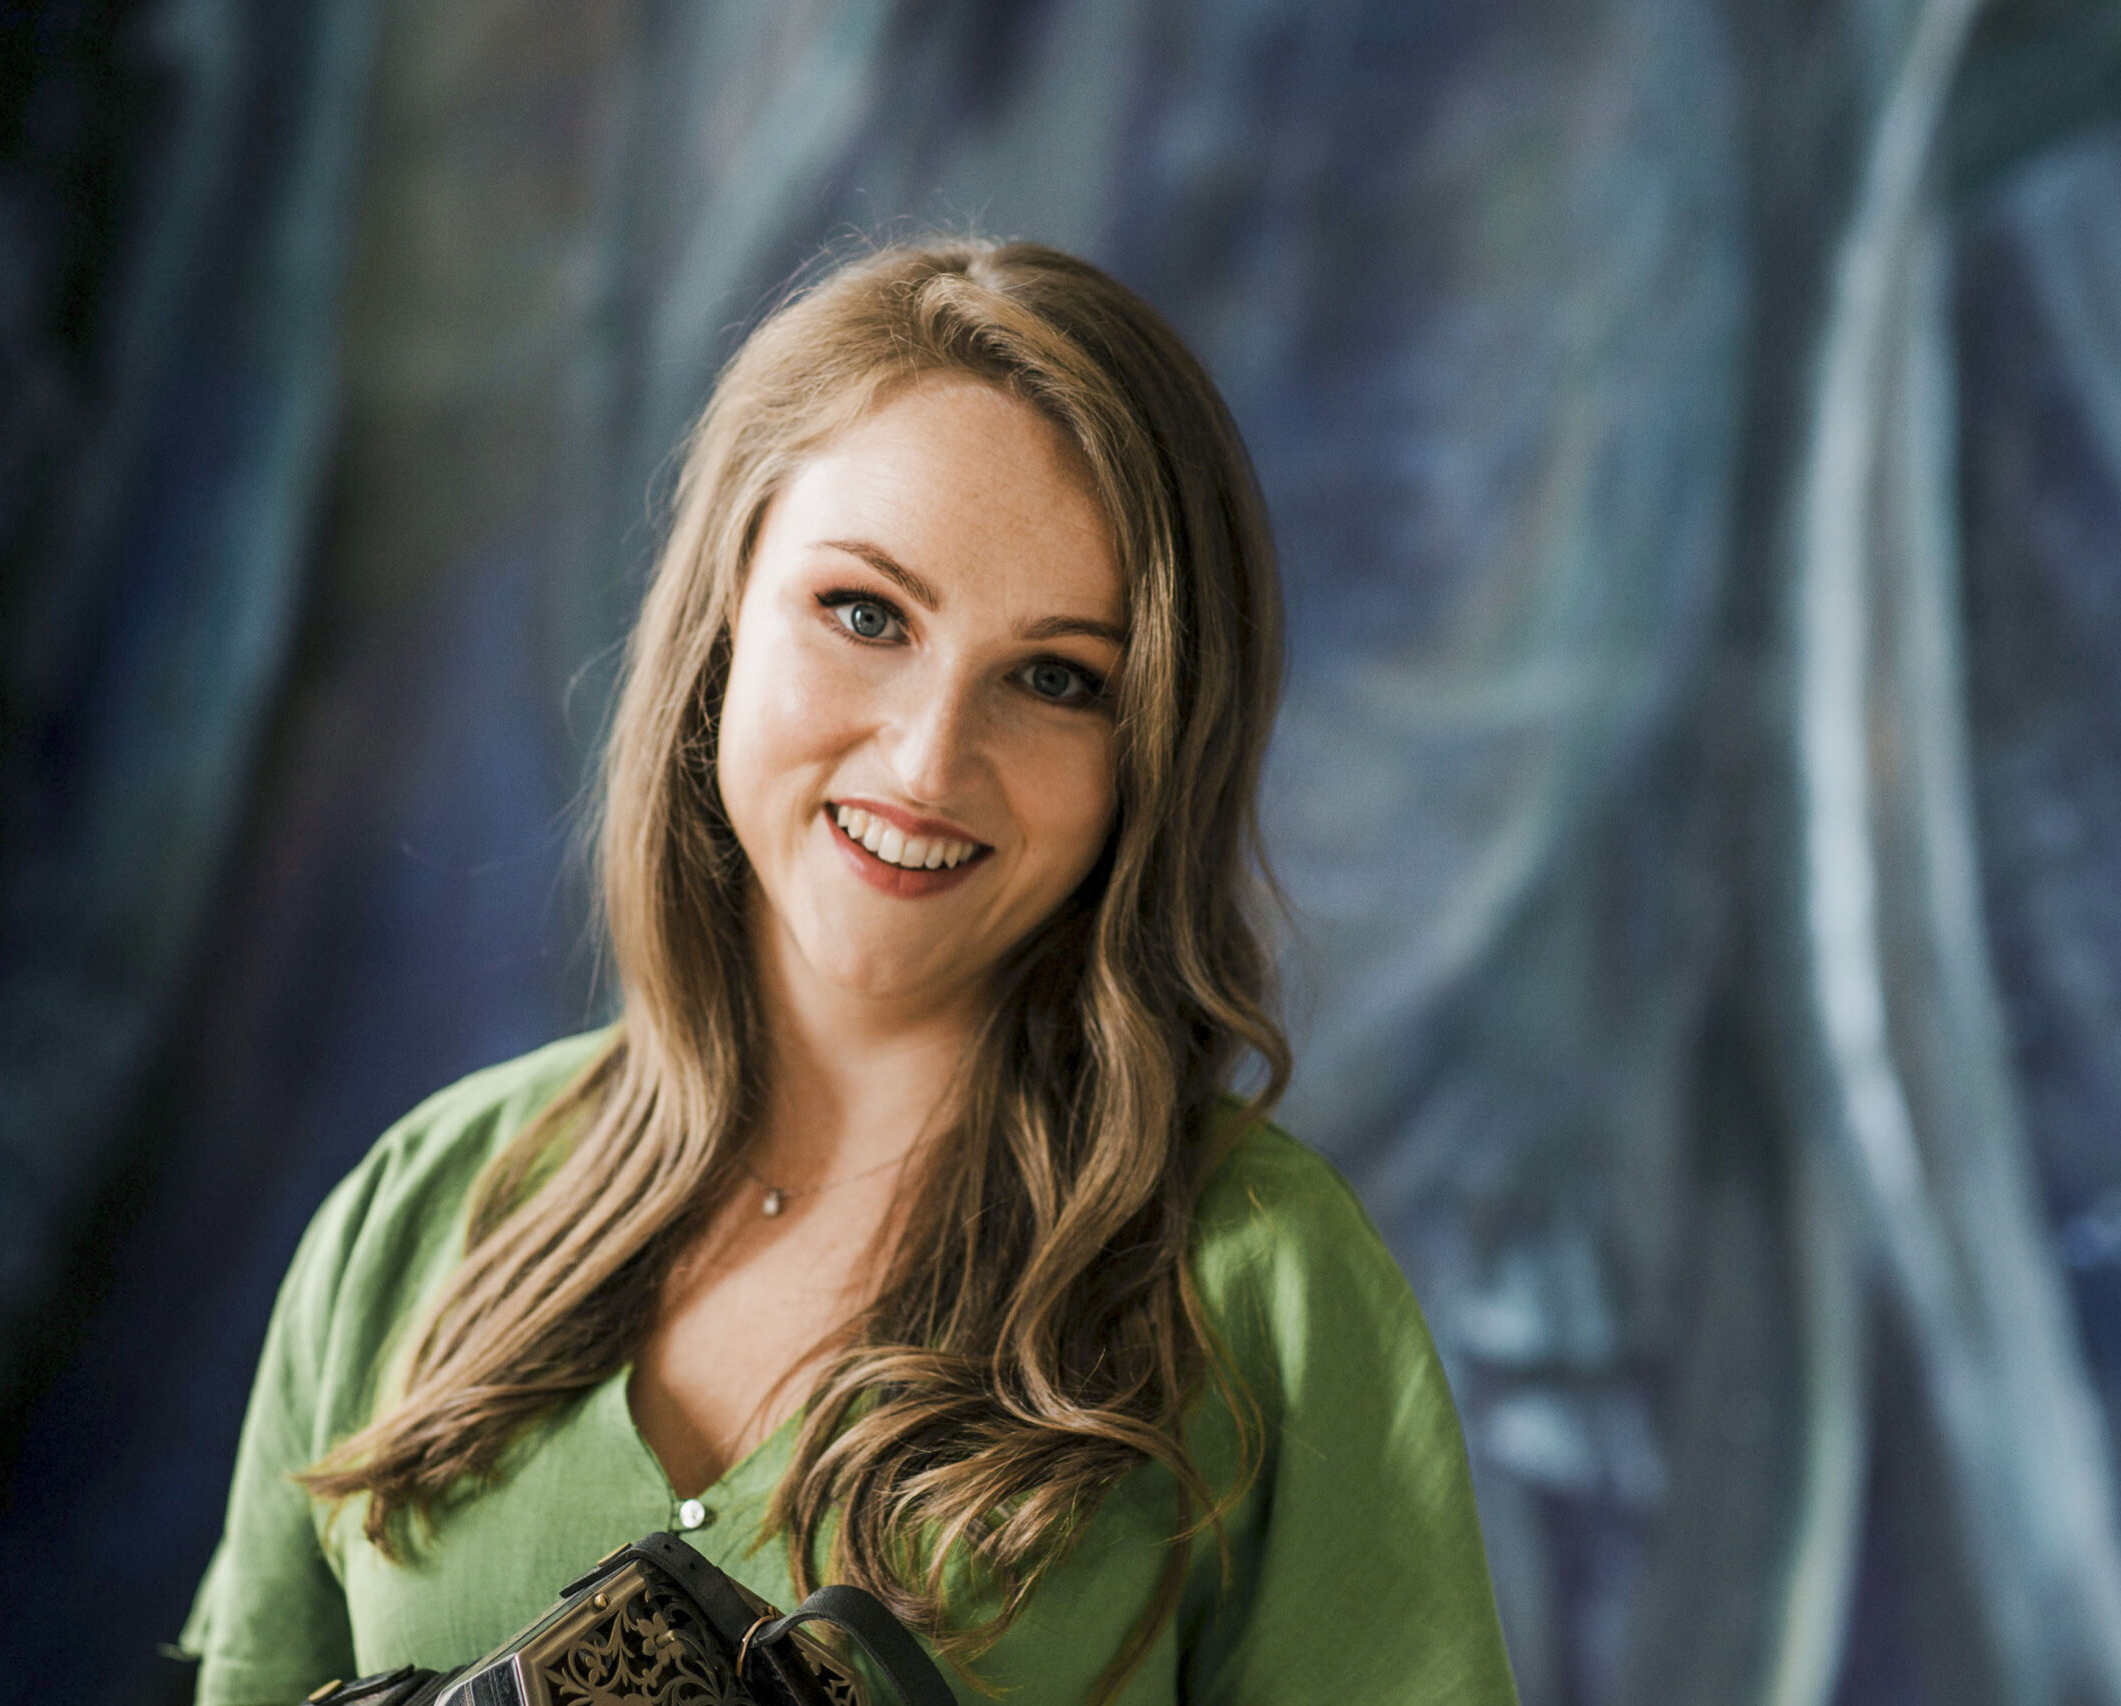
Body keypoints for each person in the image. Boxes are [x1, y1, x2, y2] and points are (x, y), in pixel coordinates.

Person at [179, 239, 1519, 1706]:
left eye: (1058, 678)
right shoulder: (415, 1215)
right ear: (724, 611)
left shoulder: (1261, 1288)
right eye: (867, 614)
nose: (930, 760)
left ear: (1153, 754)